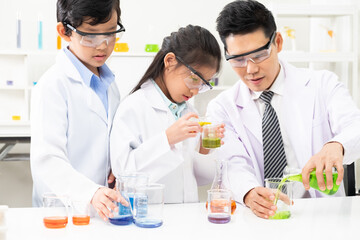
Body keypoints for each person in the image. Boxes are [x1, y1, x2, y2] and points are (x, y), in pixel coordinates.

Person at [209, 0, 360, 219]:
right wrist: (249, 192)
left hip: (322, 216)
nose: (250, 69)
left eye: (259, 55)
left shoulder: (322, 84)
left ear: (277, 42)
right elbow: (232, 163)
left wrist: (336, 145)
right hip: (262, 217)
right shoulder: (222, 108)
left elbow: (355, 126)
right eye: (238, 59)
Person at [30, 0, 127, 221]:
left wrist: (117, 163)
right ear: (64, 31)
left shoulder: (110, 84)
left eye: (111, 33)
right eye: (90, 35)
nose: (102, 45)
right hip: (62, 213)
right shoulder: (52, 86)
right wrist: (89, 192)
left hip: (103, 210)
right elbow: (47, 160)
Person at [110, 25, 223, 203]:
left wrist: (204, 146)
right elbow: (123, 174)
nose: (195, 91)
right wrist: (168, 138)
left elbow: (197, 179)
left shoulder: (189, 112)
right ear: (170, 61)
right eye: (195, 78)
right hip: (151, 218)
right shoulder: (133, 107)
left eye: (204, 84)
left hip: (187, 218)